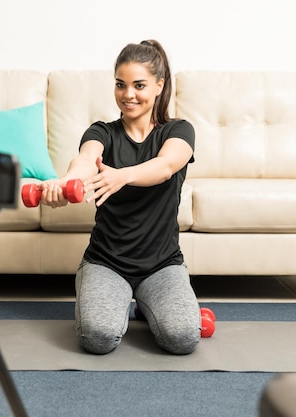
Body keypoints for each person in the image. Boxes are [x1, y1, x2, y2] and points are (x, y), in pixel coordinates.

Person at [39, 39, 200, 355]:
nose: (128, 95)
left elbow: (166, 166)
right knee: (97, 338)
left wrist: (121, 175)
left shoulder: (178, 131)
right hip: (106, 262)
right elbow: (85, 162)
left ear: (158, 86)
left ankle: (145, 304)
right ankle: (112, 296)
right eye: (120, 85)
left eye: (139, 85)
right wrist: (64, 184)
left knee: (182, 338)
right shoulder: (102, 132)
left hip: (162, 264)